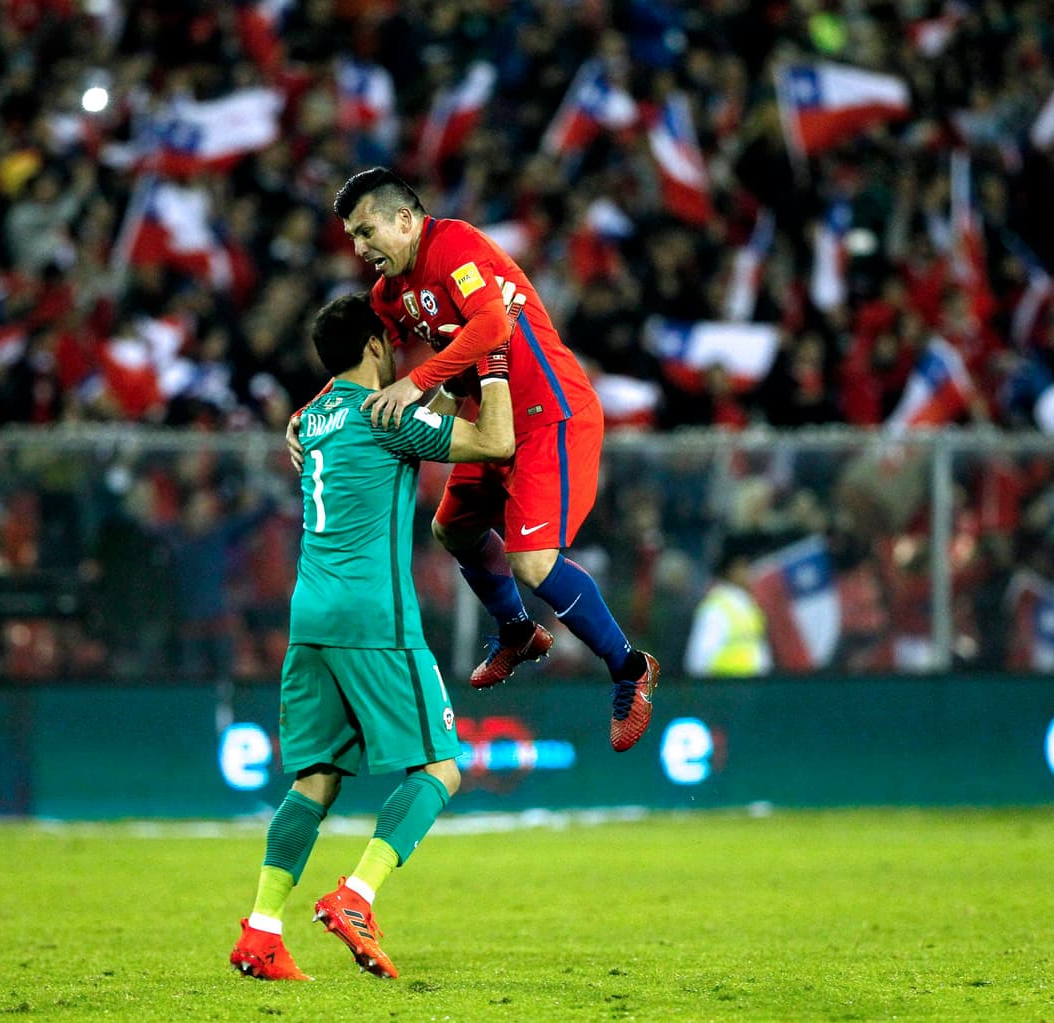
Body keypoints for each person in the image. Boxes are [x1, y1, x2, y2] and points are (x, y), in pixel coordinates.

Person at [299, 166, 658, 753]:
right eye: (352, 238)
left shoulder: (454, 245)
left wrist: (419, 382)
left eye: (367, 232)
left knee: (533, 562)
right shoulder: (391, 295)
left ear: (405, 219)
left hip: (551, 415)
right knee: (453, 528)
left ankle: (630, 669)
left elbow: (491, 322)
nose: (361, 249)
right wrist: (308, 412)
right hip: (493, 420)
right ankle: (517, 632)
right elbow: (358, 360)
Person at [230, 292, 516, 982]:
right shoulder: (386, 414)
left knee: (317, 779)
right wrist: (496, 363)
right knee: (441, 766)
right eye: (389, 341)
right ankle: (355, 895)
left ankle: (261, 933)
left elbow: (382, 414)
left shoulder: (315, 415)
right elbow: (495, 441)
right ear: (375, 347)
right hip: (374, 619)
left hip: (311, 616)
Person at [683, 543, 772, 677]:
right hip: (725, 689)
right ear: (732, 570)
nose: (750, 573)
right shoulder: (715, 608)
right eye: (745, 567)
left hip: (752, 688)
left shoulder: (749, 605)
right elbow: (697, 662)